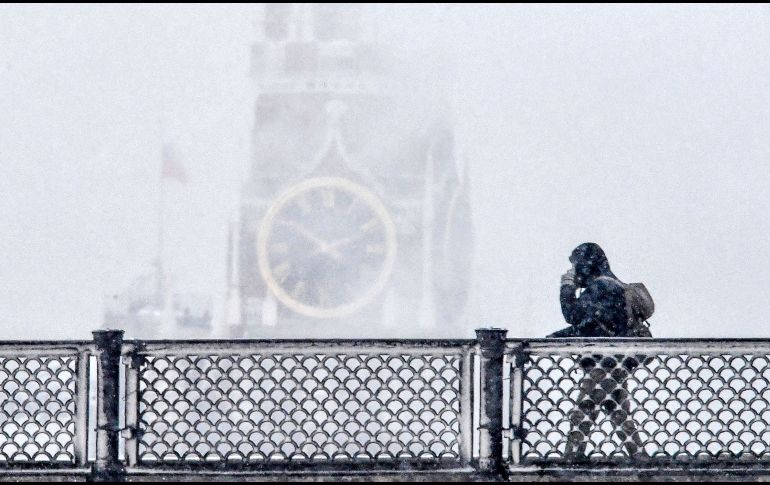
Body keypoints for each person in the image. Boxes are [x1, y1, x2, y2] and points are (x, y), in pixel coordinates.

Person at [547, 242, 654, 461]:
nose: (574, 271)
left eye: (576, 265)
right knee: (618, 413)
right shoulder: (613, 285)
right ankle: (641, 460)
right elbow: (590, 324)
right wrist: (553, 339)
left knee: (584, 410)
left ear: (587, 264)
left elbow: (574, 316)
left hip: (603, 363)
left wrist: (566, 286)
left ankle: (571, 461)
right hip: (617, 362)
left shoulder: (601, 287)